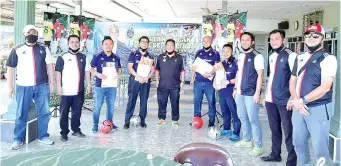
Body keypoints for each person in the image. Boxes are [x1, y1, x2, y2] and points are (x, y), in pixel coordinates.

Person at [288, 23, 337, 165]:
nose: (311, 38)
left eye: (315, 35)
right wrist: (297, 101)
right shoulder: (300, 57)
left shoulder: (328, 58)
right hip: (299, 108)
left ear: (322, 38)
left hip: (318, 108)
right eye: (308, 35)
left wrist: (302, 100)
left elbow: (326, 87)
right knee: (298, 143)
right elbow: (292, 81)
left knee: (320, 149)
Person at [7, 25, 55, 150]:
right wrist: (10, 87)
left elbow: (50, 65)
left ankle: (43, 136)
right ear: (25, 34)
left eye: (34, 32)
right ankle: (18, 139)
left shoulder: (44, 48)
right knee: (21, 113)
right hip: (23, 86)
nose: (32, 34)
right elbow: (11, 68)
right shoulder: (17, 49)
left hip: (42, 85)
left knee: (44, 112)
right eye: (30, 32)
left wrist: (52, 81)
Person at [260, 29, 297, 166]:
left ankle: (292, 161)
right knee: (274, 129)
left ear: (284, 40)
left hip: (285, 100)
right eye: (272, 39)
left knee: (288, 132)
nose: (274, 41)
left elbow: (296, 79)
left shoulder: (291, 55)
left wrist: (292, 98)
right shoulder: (271, 55)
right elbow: (271, 78)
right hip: (271, 99)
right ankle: (275, 155)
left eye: (277, 38)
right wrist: (265, 95)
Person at [233, 32, 264, 156]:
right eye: (243, 40)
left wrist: (257, 93)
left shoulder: (257, 56)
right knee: (242, 118)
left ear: (252, 42)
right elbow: (238, 73)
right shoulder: (240, 56)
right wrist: (235, 88)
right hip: (239, 93)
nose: (244, 42)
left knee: (253, 120)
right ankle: (247, 140)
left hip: (251, 93)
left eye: (247, 40)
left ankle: (258, 146)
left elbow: (260, 76)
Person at [55, 35, 91, 142]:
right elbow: (58, 72)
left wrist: (89, 84)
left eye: (77, 42)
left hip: (79, 91)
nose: (75, 44)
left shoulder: (83, 57)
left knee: (77, 112)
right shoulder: (62, 57)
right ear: (68, 43)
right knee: (64, 113)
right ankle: (64, 133)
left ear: (79, 43)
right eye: (72, 42)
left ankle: (76, 130)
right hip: (66, 91)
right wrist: (58, 87)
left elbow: (87, 71)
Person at [90, 36, 122, 132]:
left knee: (111, 106)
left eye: (110, 44)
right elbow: (91, 68)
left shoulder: (116, 57)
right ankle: (95, 125)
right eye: (106, 44)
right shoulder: (97, 57)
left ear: (113, 45)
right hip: (100, 86)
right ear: (102, 45)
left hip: (112, 86)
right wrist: (97, 74)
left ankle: (110, 124)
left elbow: (119, 68)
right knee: (97, 106)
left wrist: (119, 74)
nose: (108, 46)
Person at [124, 36, 155, 129]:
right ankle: (127, 121)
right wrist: (138, 77)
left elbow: (152, 70)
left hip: (145, 81)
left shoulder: (150, 56)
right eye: (142, 42)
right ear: (139, 43)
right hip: (134, 81)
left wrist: (147, 78)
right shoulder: (133, 54)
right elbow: (130, 68)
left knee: (144, 101)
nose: (144, 43)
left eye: (146, 42)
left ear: (148, 44)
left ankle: (142, 120)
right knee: (131, 100)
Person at [191, 36, 220, 128]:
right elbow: (195, 66)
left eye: (207, 41)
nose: (205, 42)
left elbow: (217, 67)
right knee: (197, 101)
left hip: (209, 83)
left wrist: (211, 74)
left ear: (211, 42)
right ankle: (196, 120)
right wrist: (192, 78)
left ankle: (211, 121)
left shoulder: (216, 53)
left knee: (211, 101)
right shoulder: (199, 53)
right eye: (204, 41)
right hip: (198, 82)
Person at [213, 44, 241, 142]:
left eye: (228, 51)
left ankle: (236, 133)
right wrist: (215, 84)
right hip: (222, 92)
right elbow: (217, 76)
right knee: (224, 112)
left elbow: (239, 78)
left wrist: (229, 82)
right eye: (224, 51)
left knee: (235, 113)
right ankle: (227, 128)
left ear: (232, 52)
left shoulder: (236, 63)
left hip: (231, 91)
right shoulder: (220, 64)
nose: (225, 53)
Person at [155, 39, 185, 126]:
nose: (169, 47)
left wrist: (182, 81)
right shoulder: (160, 57)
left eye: (171, 45)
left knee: (175, 103)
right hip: (162, 85)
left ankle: (175, 120)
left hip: (175, 85)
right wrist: (157, 80)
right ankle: (161, 118)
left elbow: (182, 70)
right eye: (168, 45)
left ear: (174, 46)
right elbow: (157, 70)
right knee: (161, 103)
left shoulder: (179, 57)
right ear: (165, 46)